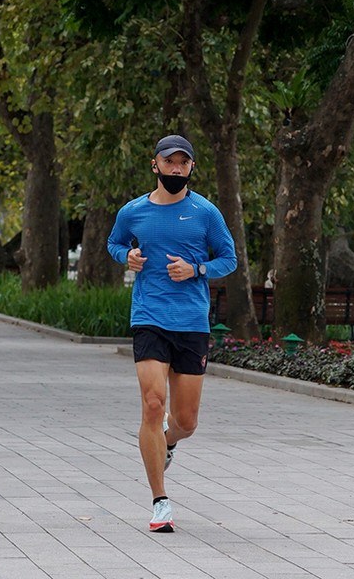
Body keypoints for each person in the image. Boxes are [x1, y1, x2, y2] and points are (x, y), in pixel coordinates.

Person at [106, 134, 236, 534]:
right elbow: (114, 243)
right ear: (155, 165)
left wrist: (197, 270)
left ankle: (170, 440)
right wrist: (125, 256)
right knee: (151, 402)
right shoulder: (134, 211)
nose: (176, 168)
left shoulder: (206, 213)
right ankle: (160, 501)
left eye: (183, 163)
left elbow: (228, 259)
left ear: (191, 168)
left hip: (192, 322)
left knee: (186, 420)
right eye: (170, 162)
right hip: (149, 317)